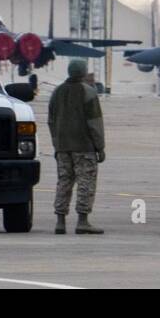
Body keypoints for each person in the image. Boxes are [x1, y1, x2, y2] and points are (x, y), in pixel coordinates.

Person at [48, 58, 106, 234]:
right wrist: (100, 146)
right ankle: (82, 221)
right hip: (84, 146)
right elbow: (94, 122)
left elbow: (51, 121)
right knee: (85, 182)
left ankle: (60, 221)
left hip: (63, 146)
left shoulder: (56, 92)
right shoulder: (88, 92)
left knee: (64, 181)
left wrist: (57, 144)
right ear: (83, 72)